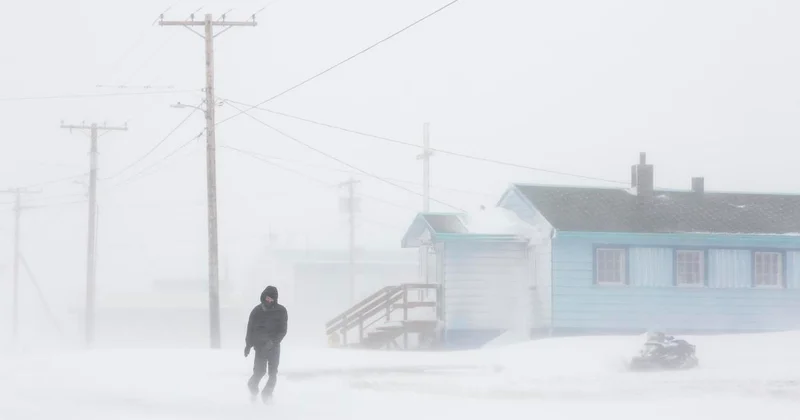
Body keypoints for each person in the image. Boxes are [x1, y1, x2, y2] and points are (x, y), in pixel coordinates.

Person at [244, 285, 288, 402]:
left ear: (275, 299)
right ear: (263, 297)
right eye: (267, 298)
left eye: (271, 299)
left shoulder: (281, 311)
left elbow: (283, 330)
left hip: (274, 346)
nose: (268, 300)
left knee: (273, 373)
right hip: (260, 346)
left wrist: (273, 342)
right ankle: (252, 385)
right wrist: (248, 345)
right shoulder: (256, 311)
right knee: (260, 371)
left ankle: (267, 394)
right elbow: (250, 329)